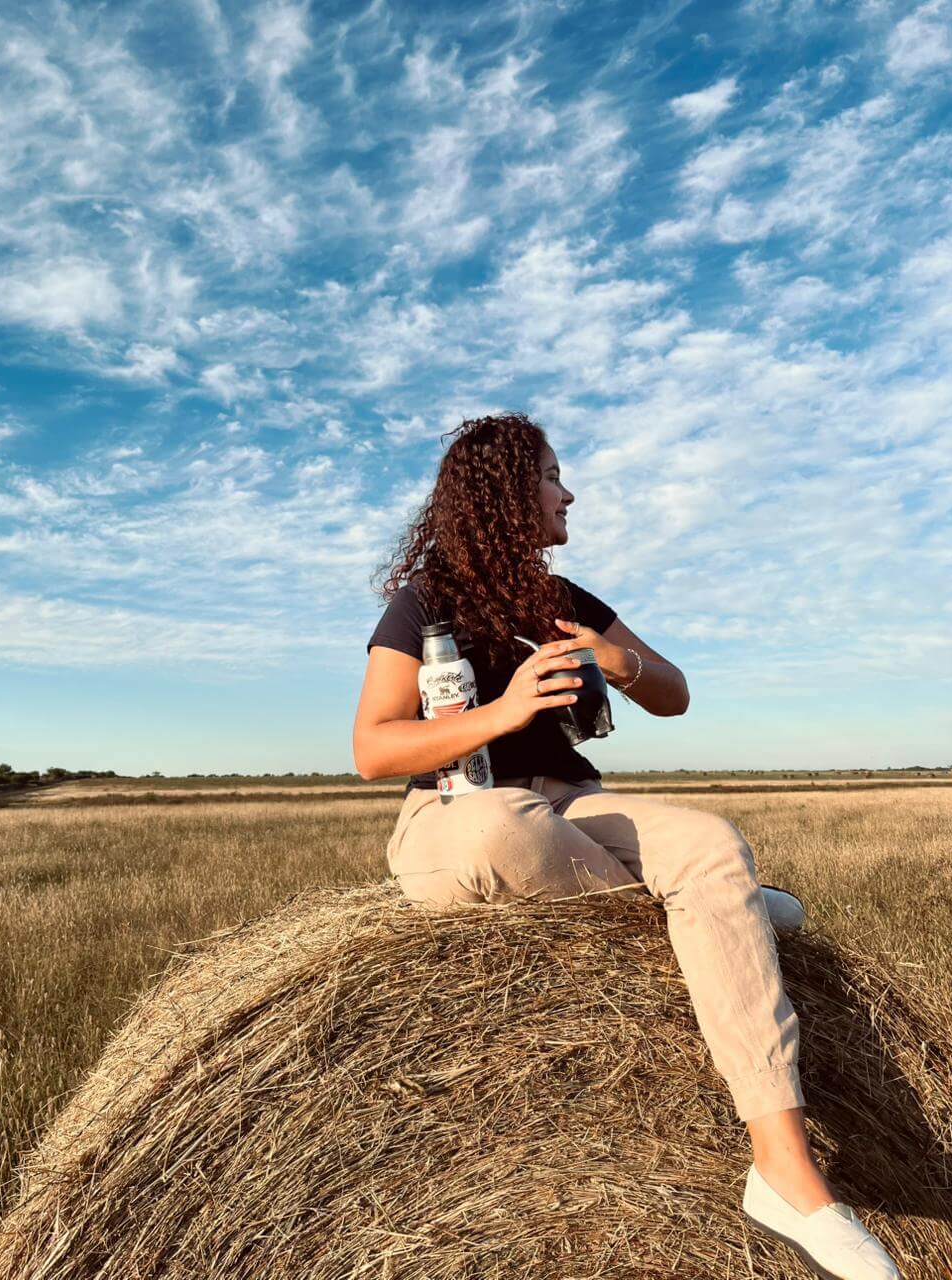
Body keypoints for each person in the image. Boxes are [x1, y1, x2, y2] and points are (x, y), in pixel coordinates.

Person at [352, 413, 900, 1280]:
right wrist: (507, 710)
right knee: (508, 830)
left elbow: (676, 695)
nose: (568, 493)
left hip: (575, 809)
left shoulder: (567, 601)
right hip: (458, 817)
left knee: (710, 840)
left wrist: (618, 659)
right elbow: (374, 750)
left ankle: (785, 1169)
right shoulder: (426, 605)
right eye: (552, 476)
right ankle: (728, 921)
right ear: (504, 494)